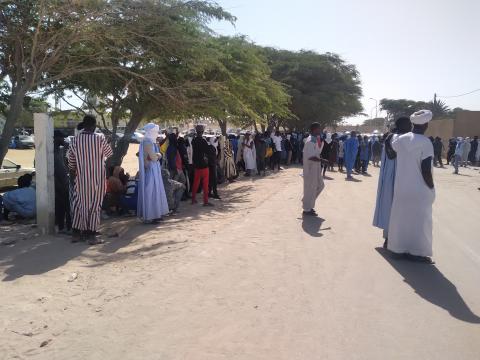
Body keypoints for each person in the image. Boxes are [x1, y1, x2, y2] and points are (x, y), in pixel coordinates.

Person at [388, 110, 435, 264]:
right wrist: (431, 187)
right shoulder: (426, 142)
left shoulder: (400, 139)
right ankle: (416, 253)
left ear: (413, 123)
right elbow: (426, 170)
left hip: (401, 188)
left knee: (401, 219)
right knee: (420, 222)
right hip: (419, 188)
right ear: (426, 124)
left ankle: (397, 249)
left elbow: (391, 151)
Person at [68, 115, 113, 244]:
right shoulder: (100, 138)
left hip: (81, 178)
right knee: (95, 205)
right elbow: (109, 153)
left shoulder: (75, 140)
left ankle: (76, 232)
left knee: (79, 204)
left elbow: (71, 161)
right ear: (93, 126)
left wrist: (74, 173)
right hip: (98, 179)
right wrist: (107, 141)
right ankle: (91, 234)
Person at [373, 117, 412, 247]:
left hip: (392, 177)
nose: (411, 126)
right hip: (395, 177)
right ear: (403, 125)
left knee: (393, 207)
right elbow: (394, 156)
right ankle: (390, 239)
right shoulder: (398, 138)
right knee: (394, 207)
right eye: (409, 124)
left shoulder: (392, 137)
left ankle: (391, 238)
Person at [137, 123, 169, 223]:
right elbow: (153, 157)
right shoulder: (147, 142)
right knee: (150, 193)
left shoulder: (149, 141)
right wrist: (159, 154)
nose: (157, 133)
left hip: (153, 170)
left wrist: (156, 155)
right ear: (150, 132)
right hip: (150, 171)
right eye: (155, 131)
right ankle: (150, 216)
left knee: (155, 192)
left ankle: (155, 214)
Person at [302, 123, 325, 216]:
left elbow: (317, 152)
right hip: (310, 169)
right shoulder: (310, 141)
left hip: (316, 168)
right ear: (315, 129)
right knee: (310, 188)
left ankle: (308, 202)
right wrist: (323, 160)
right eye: (319, 129)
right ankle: (307, 208)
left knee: (320, 185)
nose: (320, 130)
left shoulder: (315, 139)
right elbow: (311, 157)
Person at [53, 130, 72, 233]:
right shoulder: (50, 152)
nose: (63, 140)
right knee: (63, 207)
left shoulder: (60, 150)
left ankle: (66, 227)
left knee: (65, 206)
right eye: (62, 138)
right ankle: (64, 227)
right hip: (57, 184)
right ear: (56, 138)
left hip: (64, 182)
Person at [191, 125, 213, 206]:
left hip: (196, 165)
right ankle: (205, 202)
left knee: (195, 183)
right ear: (202, 132)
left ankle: (193, 199)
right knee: (205, 184)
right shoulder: (203, 141)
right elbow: (207, 151)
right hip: (204, 165)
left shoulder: (194, 140)